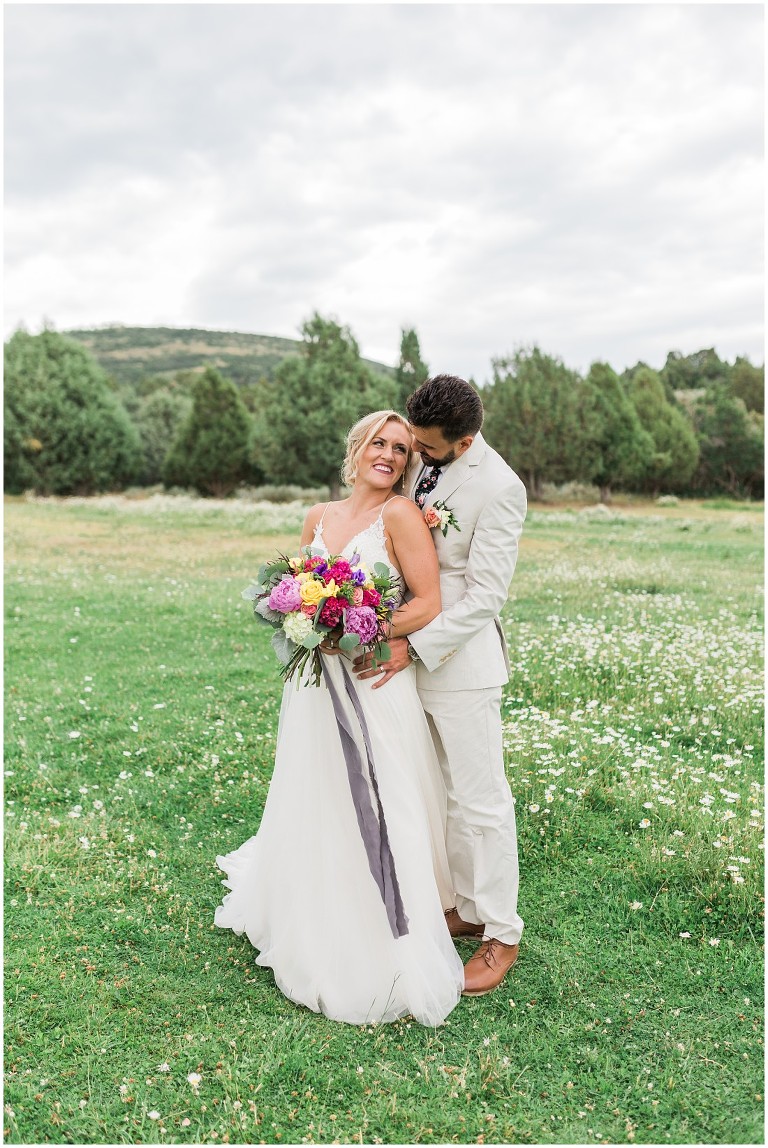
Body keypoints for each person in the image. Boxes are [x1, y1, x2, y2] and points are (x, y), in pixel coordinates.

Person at [214, 410, 464, 1026]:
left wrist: (362, 628)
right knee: (316, 784)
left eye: (402, 450)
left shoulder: (400, 517)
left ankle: (383, 919)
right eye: (380, 443)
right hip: (315, 684)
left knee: (382, 797)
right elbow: (300, 585)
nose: (390, 456)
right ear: (357, 449)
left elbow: (428, 602)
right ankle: (311, 899)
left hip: (370, 680)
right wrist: (306, 618)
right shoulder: (317, 517)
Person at [356, 375, 527, 997]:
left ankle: (501, 933)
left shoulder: (500, 487)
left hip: (459, 665)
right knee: (442, 793)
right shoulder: (428, 461)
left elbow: (485, 596)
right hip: (408, 665)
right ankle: (465, 906)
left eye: (428, 448)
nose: (417, 457)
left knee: (482, 800)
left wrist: (412, 643)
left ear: (466, 438)